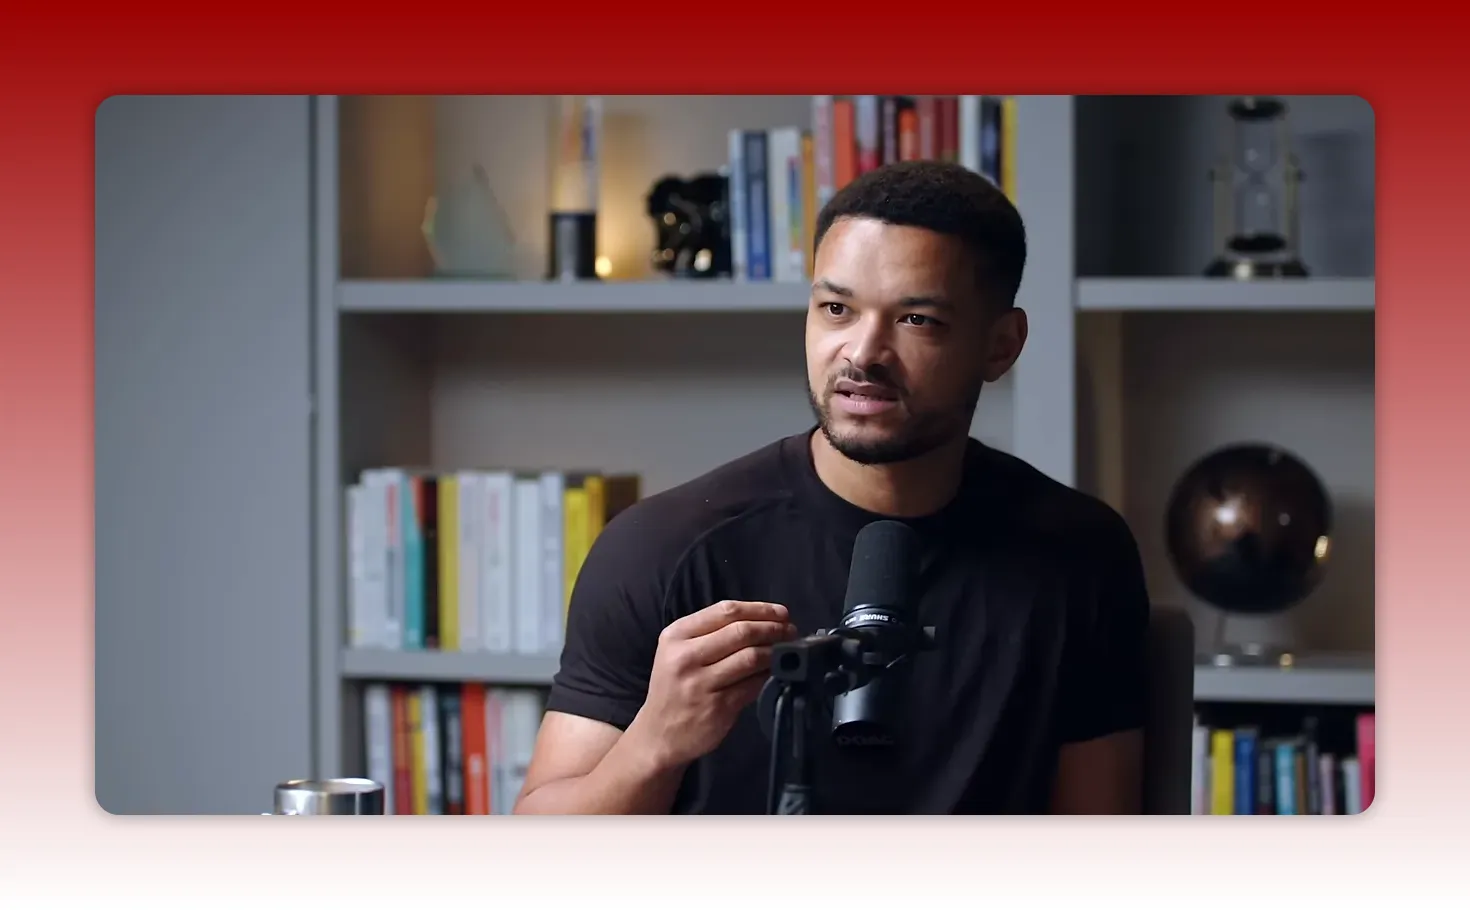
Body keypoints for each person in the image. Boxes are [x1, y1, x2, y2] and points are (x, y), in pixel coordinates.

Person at [513, 159, 1151, 815]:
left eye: (917, 320)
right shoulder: (662, 549)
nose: (862, 353)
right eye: (836, 309)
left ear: (1000, 346)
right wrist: (653, 743)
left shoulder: (1078, 553)